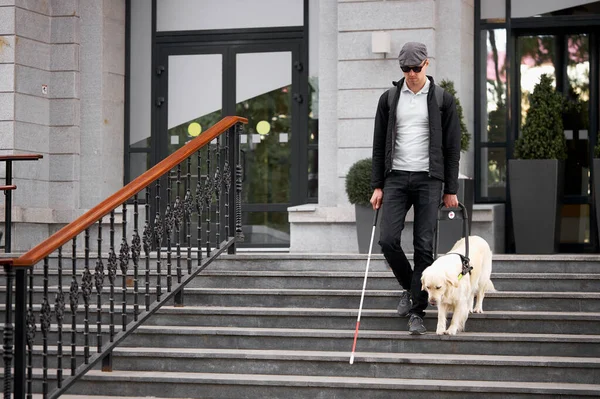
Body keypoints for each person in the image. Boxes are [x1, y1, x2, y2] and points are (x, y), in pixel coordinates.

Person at [370, 42, 461, 335]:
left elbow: (452, 148)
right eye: (405, 69)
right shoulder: (389, 99)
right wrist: (377, 185)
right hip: (396, 177)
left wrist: (451, 188)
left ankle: (417, 312)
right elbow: (378, 146)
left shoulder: (442, 100)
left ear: (427, 64)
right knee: (387, 240)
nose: (411, 74)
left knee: (424, 246)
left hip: (428, 179)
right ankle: (411, 288)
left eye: (415, 68)